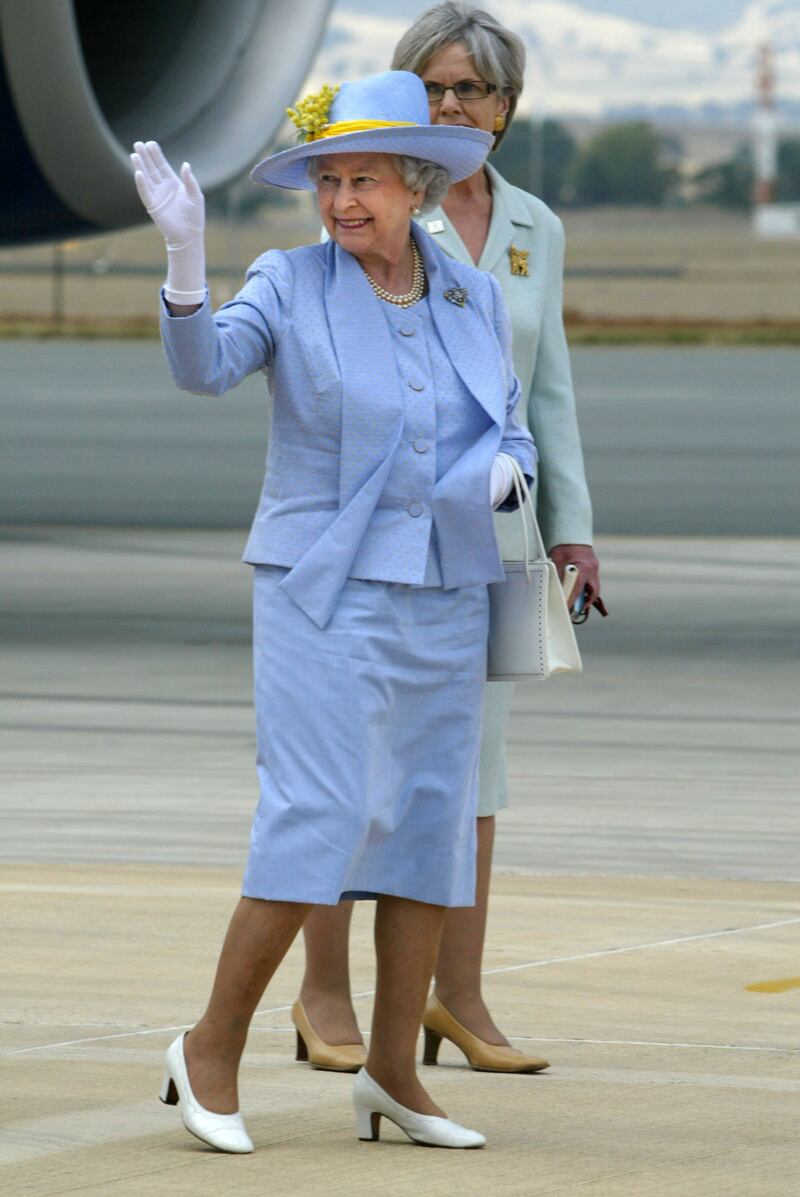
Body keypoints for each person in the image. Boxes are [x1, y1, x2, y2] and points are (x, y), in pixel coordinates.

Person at [130, 68, 535, 1153]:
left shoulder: (469, 296)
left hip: (445, 594)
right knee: (316, 816)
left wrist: (504, 474)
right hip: (319, 592)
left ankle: (395, 1075)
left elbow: (512, 429)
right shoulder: (290, 280)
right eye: (327, 179)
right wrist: (183, 264)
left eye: (363, 179)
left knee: (425, 829)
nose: (342, 200)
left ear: (415, 187)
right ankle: (209, 1045)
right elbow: (203, 371)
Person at [295, 2, 600, 1076]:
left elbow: (545, 388)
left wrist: (571, 533)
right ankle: (322, 995)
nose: (448, 104)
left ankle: (454, 998)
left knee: (475, 773)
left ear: (504, 109)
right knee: (356, 769)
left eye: (468, 89)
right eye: (429, 86)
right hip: (377, 535)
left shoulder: (532, 228)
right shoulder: (366, 207)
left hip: (495, 538)